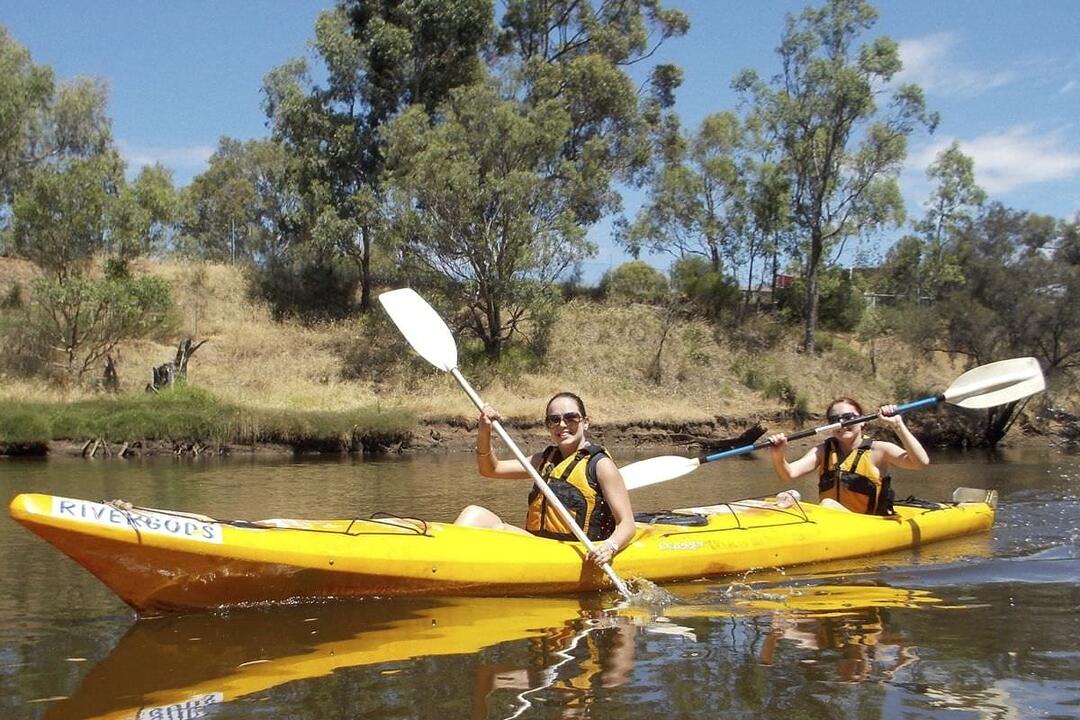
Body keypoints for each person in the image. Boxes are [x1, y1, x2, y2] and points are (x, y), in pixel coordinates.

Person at [455, 392, 635, 568]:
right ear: (548, 426)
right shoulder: (544, 460)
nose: (562, 425)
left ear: (585, 422)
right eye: (554, 420)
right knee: (475, 514)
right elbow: (490, 469)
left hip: (577, 553)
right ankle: (448, 561)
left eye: (570, 418)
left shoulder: (601, 465)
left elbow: (627, 524)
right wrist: (485, 431)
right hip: (540, 546)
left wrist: (609, 547)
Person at [766, 397, 930, 514]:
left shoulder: (880, 451)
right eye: (835, 419)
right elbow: (788, 474)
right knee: (785, 497)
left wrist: (897, 425)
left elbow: (920, 463)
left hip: (868, 525)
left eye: (849, 418)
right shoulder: (823, 451)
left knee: (828, 504)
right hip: (834, 521)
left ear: (862, 421)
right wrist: (778, 453)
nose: (842, 424)